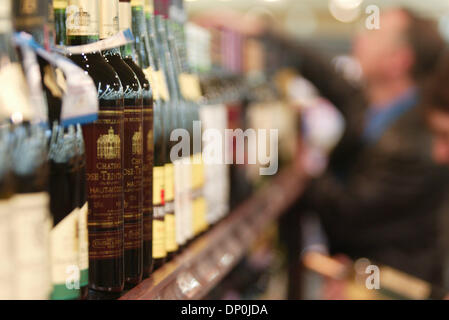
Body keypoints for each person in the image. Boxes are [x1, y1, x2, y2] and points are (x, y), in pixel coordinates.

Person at [290, 8, 449, 286]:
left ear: (399, 60)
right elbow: (334, 81)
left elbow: (349, 215)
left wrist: (306, 170)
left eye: (373, 33)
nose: (359, 38)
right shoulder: (379, 108)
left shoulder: (417, 137)